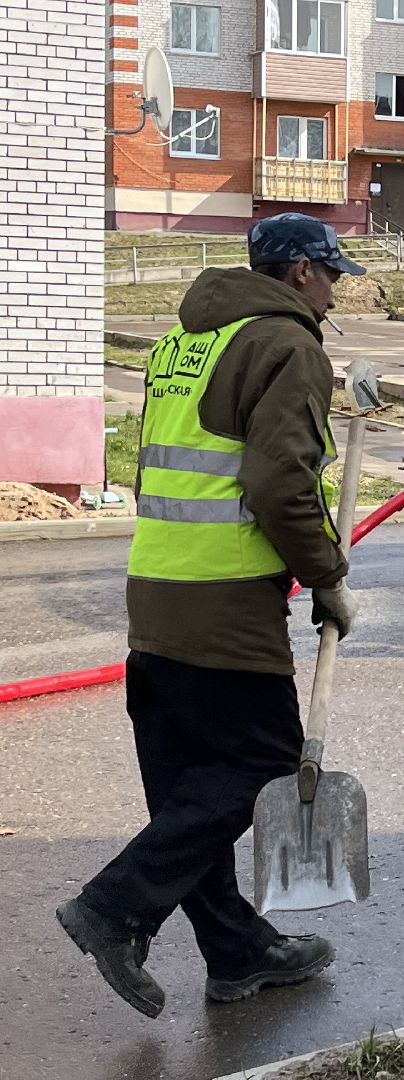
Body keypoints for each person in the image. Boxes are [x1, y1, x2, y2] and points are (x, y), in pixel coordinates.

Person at [56, 213, 366, 1018]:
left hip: (156, 595)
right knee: (263, 766)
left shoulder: (182, 343)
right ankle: (115, 907)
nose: (335, 290)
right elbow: (278, 487)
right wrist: (327, 576)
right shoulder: (288, 346)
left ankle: (236, 951)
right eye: (331, 273)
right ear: (299, 272)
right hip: (226, 607)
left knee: (189, 790)